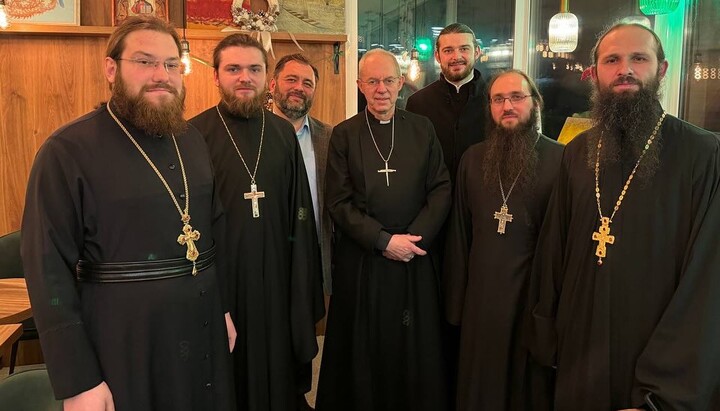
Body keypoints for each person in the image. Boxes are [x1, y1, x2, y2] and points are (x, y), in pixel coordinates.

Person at [21, 16, 235, 411]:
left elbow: (210, 231)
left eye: (172, 64)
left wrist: (221, 308)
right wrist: (79, 380)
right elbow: (47, 270)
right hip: (123, 341)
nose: (161, 75)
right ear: (111, 68)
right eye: (145, 61)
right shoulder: (67, 150)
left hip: (201, 324)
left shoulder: (191, 140)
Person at [528, 23, 720, 411]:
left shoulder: (703, 154)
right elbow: (554, 251)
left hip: (653, 366)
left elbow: (706, 283)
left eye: (639, 58)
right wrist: (547, 339)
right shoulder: (577, 152)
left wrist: (662, 395)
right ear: (594, 73)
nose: (625, 69)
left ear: (661, 70)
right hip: (580, 350)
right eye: (612, 60)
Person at [189, 34, 324, 411]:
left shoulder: (281, 133)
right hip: (224, 284)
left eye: (254, 69)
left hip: (278, 281)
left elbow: (300, 215)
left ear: (267, 78)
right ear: (216, 76)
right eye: (233, 69)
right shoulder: (192, 135)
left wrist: (301, 285)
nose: (244, 77)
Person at [315, 48, 452, 411]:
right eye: (372, 81)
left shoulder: (422, 129)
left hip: (414, 257)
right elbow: (338, 202)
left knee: (413, 344)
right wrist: (383, 241)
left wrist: (412, 240)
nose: (381, 89)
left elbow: (440, 188)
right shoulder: (344, 135)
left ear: (401, 83)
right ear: (360, 85)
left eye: (388, 80)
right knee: (366, 346)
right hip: (365, 260)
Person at [444, 70, 562, 411]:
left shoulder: (561, 160)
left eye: (516, 97)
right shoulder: (473, 159)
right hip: (481, 299)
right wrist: (457, 304)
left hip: (532, 298)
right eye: (498, 99)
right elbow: (459, 237)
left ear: (535, 103)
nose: (507, 106)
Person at [269, 53, 334, 295]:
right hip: (267, 254)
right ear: (273, 84)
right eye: (291, 80)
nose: (299, 88)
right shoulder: (256, 134)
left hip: (313, 251)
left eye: (307, 83)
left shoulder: (330, 137)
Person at [405, 22, 488, 183]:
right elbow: (411, 159)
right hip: (433, 200)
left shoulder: (495, 101)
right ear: (437, 56)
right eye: (448, 50)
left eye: (464, 49)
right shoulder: (417, 103)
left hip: (483, 198)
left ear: (476, 52)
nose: (456, 57)